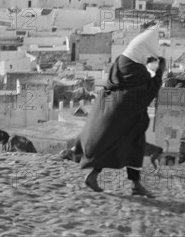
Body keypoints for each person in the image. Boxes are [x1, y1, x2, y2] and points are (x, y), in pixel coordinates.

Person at [60, 23, 166, 197]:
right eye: (147, 56)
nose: (148, 59)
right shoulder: (139, 72)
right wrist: (159, 73)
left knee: (110, 143)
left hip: (109, 110)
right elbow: (148, 93)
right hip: (125, 116)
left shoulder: (121, 61)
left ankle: (99, 177)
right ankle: (134, 184)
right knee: (132, 145)